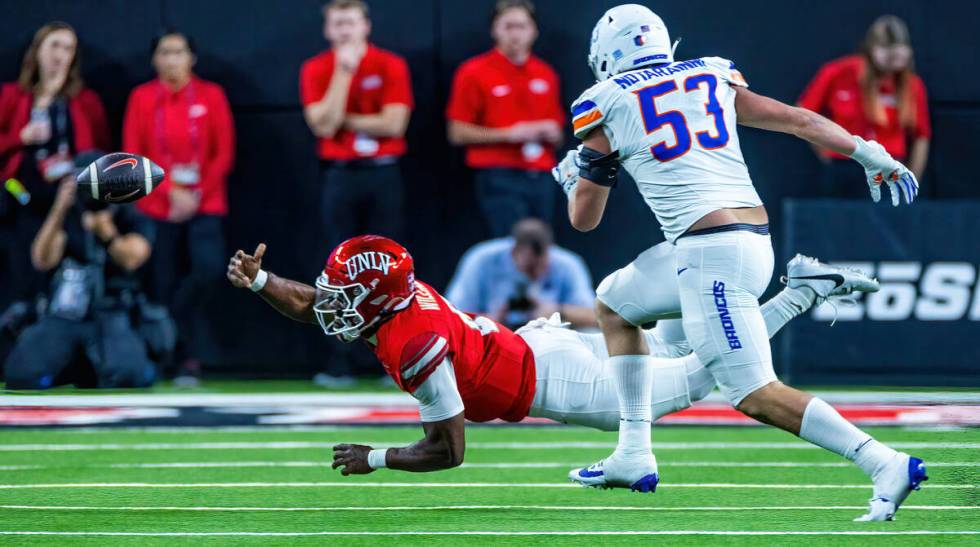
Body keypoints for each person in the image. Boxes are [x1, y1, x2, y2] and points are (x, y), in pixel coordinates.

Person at [552, 5, 922, 520]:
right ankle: (632, 454)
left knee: (753, 393)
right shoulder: (709, 75)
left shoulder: (606, 102)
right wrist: (869, 152)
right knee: (615, 303)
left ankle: (885, 462)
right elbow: (797, 120)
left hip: (709, 254)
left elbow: (584, 221)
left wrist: (577, 177)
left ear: (606, 58)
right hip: (748, 240)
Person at [224, 235, 877, 479]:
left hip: (561, 379)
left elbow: (449, 449)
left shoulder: (414, 343)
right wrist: (260, 283)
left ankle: (800, 291)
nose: (331, 302)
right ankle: (728, 290)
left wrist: (375, 457)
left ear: (377, 299)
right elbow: (320, 302)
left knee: (707, 373)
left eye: (347, 292)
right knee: (682, 350)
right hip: (542, 347)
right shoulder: (390, 304)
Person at [300, 0, 413, 387]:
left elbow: (394, 124)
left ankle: (398, 357)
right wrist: (344, 71)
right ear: (328, 30)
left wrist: (344, 121)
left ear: (366, 25)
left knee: (391, 266)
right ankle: (340, 361)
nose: (345, 29)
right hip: (340, 174)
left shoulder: (390, 64)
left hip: (383, 175)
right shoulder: (317, 68)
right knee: (337, 268)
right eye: (338, 23)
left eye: (351, 22)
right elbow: (322, 125)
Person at [123, 30, 235, 386]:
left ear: (192, 58)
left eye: (179, 52)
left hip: (206, 201)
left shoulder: (210, 95)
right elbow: (133, 153)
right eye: (165, 52)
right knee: (162, 281)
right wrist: (171, 191)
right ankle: (178, 358)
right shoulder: (141, 98)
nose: (172, 59)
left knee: (208, 269)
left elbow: (224, 152)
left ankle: (180, 332)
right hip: (158, 205)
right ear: (155, 59)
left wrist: (196, 193)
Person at [4, 177, 156, 389]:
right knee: (21, 375)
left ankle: (96, 368)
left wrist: (106, 231)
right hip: (63, 314)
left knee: (130, 376)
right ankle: (71, 368)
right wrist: (59, 210)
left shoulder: (127, 214)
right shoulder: (64, 215)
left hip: (111, 312)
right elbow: (42, 260)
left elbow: (132, 258)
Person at [0, 22, 110, 304]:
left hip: (69, 197)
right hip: (20, 192)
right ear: (38, 51)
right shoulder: (13, 95)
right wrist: (19, 137)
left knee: (66, 273)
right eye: (54, 46)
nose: (60, 54)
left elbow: (101, 152)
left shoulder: (86, 101)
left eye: (68, 48)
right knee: (23, 265)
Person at [446, 0, 565, 236]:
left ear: (533, 31)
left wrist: (553, 132)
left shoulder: (545, 72)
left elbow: (560, 133)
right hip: (498, 174)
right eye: (508, 26)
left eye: (521, 26)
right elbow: (457, 132)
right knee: (511, 244)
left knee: (542, 245)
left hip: (541, 173)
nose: (515, 34)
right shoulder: (473, 71)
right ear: (495, 29)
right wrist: (510, 133)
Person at [798, 15, 930, 198]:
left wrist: (913, 179)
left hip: (888, 169)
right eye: (887, 52)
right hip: (844, 165)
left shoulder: (912, 86)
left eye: (897, 54)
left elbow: (921, 136)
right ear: (871, 49)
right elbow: (804, 112)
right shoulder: (838, 73)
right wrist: (824, 152)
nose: (892, 62)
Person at [445, 218, 596, 330]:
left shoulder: (567, 264)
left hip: (551, 341)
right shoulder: (482, 259)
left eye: (542, 267)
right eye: (530, 268)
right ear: (513, 251)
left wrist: (558, 311)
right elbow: (452, 316)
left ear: (551, 250)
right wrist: (491, 320)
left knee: (590, 333)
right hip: (494, 338)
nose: (535, 274)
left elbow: (595, 318)